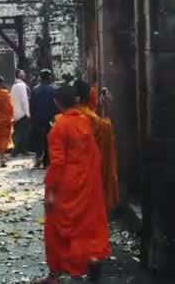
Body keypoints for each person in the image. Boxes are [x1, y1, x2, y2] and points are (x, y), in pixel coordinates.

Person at [37, 86, 110, 283]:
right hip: (87, 182)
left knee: (56, 229)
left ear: (57, 103)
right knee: (86, 225)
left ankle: (55, 274)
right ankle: (91, 258)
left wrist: (51, 191)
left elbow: (58, 162)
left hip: (65, 185)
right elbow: (95, 150)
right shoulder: (86, 121)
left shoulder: (59, 127)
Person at [74, 79, 119, 212]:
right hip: (91, 170)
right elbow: (104, 128)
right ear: (89, 97)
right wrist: (106, 109)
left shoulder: (64, 118)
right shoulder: (93, 119)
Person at [30, 69, 57, 169]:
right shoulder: (54, 90)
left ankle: (37, 159)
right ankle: (47, 162)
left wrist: (33, 118)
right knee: (49, 140)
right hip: (50, 119)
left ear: (40, 77)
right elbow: (57, 106)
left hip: (38, 119)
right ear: (49, 77)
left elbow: (32, 106)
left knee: (38, 140)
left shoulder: (35, 90)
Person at [10, 69, 30, 156]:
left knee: (18, 131)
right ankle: (17, 150)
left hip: (16, 112)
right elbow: (24, 100)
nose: (24, 74)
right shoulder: (22, 85)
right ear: (19, 75)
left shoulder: (14, 86)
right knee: (23, 133)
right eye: (23, 73)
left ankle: (19, 149)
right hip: (22, 112)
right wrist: (27, 113)